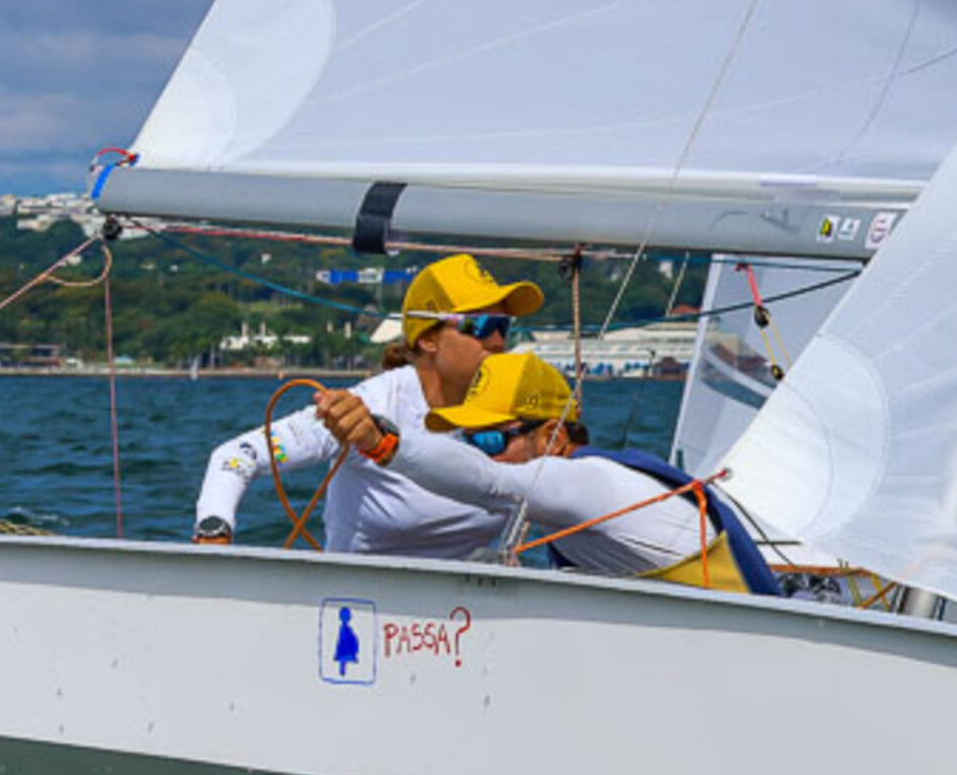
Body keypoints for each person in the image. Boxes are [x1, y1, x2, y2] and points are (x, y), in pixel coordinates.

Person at [312, 352, 776, 594]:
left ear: (552, 436)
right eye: (468, 442)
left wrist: (381, 442)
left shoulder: (589, 483)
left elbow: (488, 482)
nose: (483, 456)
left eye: (492, 441)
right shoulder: (572, 504)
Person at [191, 254, 544, 557]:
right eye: (480, 326)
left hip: (468, 606)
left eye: (504, 326)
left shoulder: (522, 413)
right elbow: (238, 456)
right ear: (428, 339)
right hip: (360, 603)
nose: (497, 341)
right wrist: (214, 534)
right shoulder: (370, 406)